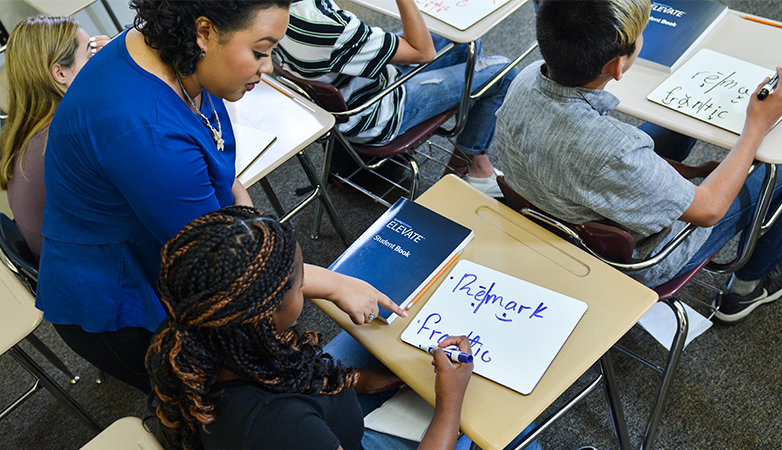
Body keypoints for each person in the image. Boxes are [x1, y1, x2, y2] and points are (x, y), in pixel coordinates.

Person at [36, 0, 402, 394]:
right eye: (260, 51)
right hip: (121, 298)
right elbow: (226, 263)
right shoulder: (146, 133)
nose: (270, 67)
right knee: (225, 401)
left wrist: (259, 238)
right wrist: (333, 283)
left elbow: (225, 178)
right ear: (205, 32)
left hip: (167, 251)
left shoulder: (180, 57)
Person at [495, 0, 782, 324]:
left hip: (558, 207)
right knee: (778, 166)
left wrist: (695, 171)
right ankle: (748, 287)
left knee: (670, 124)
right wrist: (756, 126)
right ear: (617, 67)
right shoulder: (615, 149)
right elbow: (709, 209)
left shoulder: (527, 78)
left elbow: (614, 161)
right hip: (644, 259)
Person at [145, 205, 476, 449]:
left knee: (372, 354)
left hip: (314, 407)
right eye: (300, 282)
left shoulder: (193, 322)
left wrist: (372, 381)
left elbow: (299, 377)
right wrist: (450, 405)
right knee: (500, 434)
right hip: (320, 433)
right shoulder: (282, 427)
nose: (308, 284)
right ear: (267, 312)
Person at [274, 0, 517, 197]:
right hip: (378, 113)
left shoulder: (271, 12)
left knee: (466, 42)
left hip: (354, 93)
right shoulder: (327, 27)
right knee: (504, 72)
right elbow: (423, 52)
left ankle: (472, 156)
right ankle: (464, 167)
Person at [0, 16, 109, 260]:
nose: (99, 61)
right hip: (101, 276)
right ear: (59, 73)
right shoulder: (70, 137)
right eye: (90, 54)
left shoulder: (30, 135)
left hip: (68, 272)